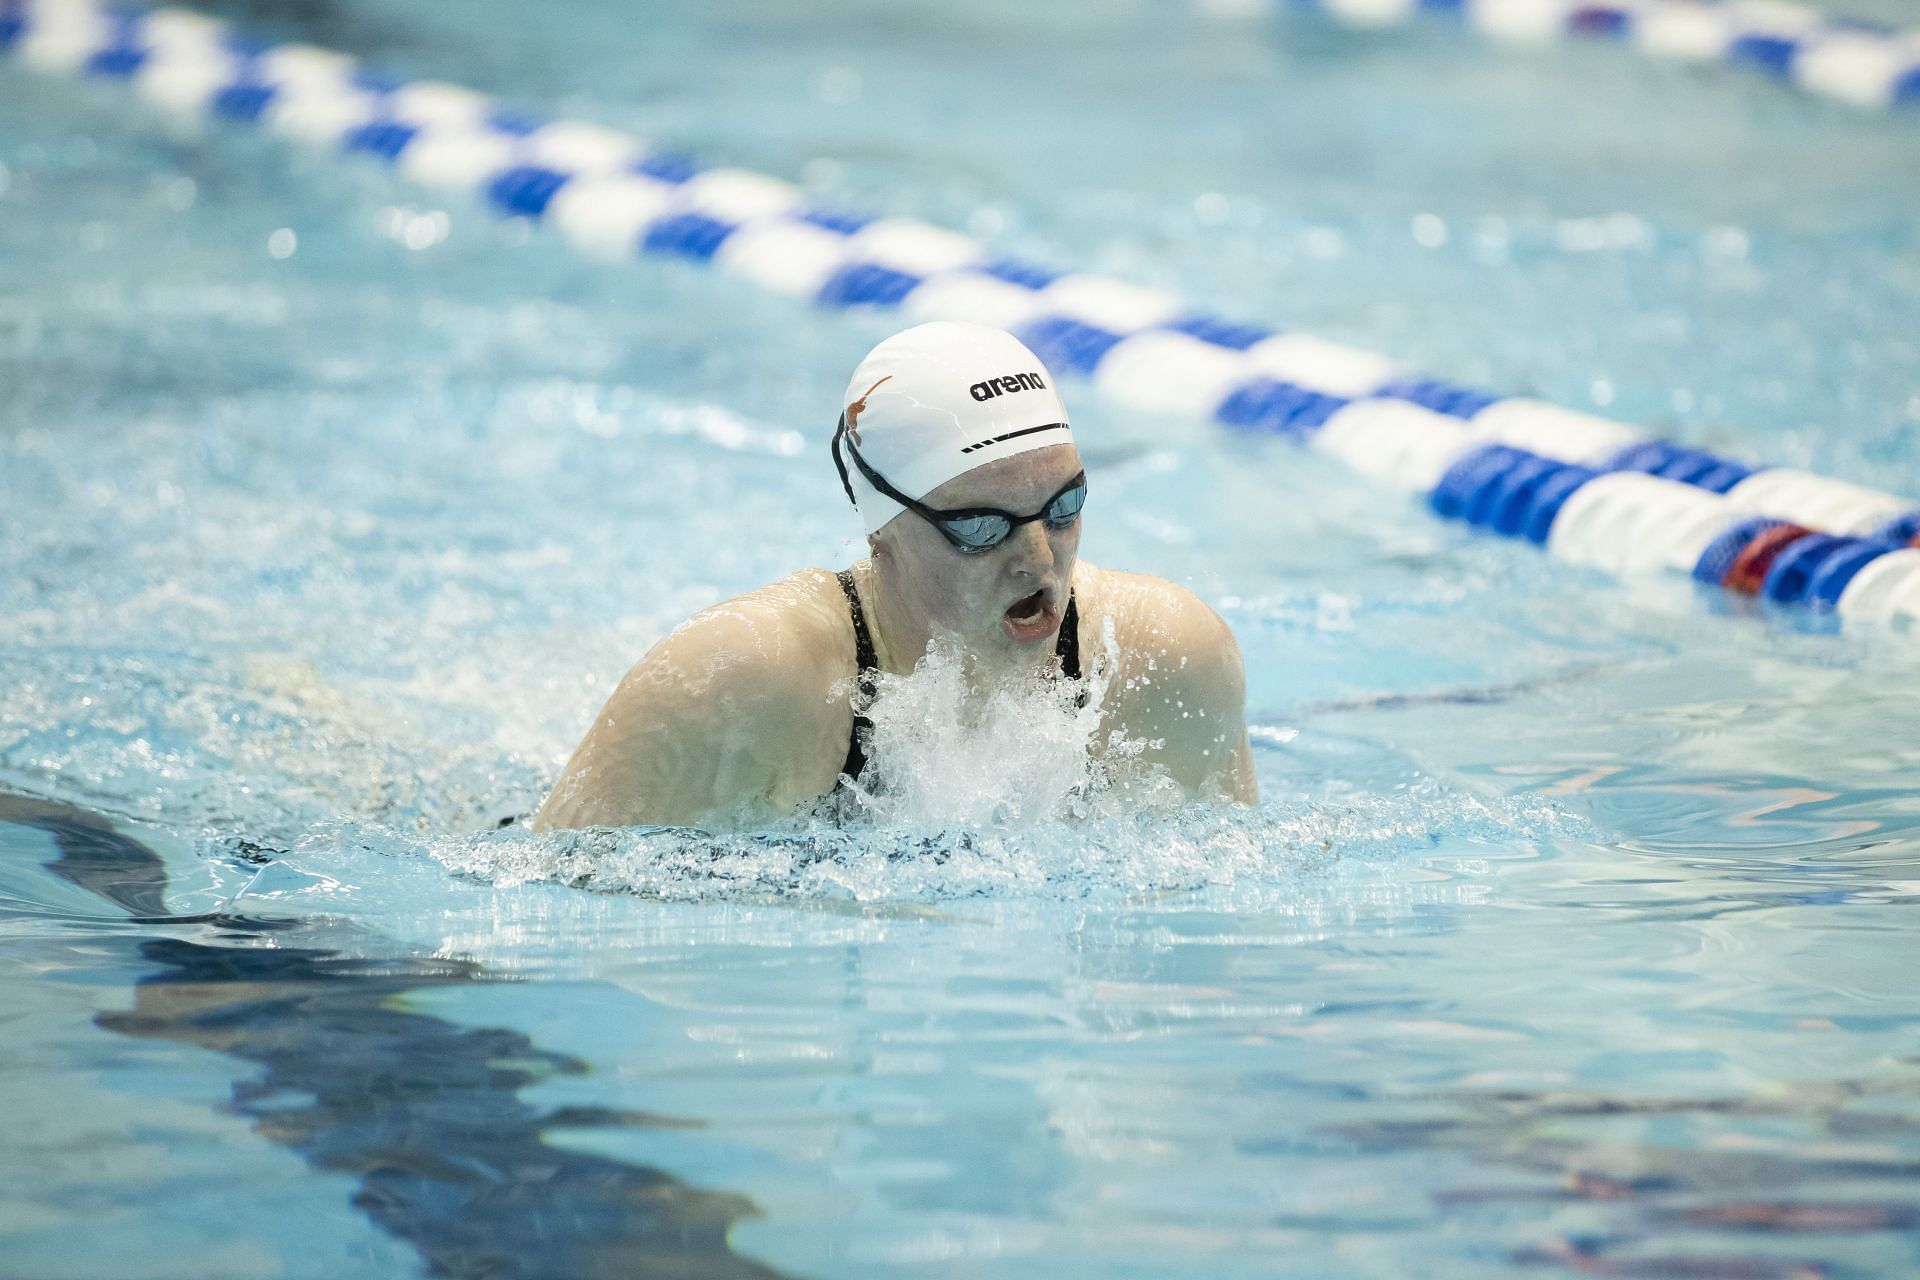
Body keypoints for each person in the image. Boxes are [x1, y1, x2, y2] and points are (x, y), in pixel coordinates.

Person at [533, 322, 1257, 831]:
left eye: (1063, 507)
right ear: (883, 528)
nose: (1039, 559)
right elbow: (550, 920)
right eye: (981, 525)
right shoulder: (746, 680)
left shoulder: (1165, 656)